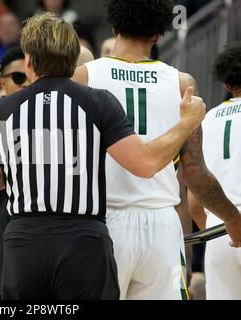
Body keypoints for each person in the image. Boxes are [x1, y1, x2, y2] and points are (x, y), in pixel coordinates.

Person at [0, 12, 205, 300]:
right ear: (73, 58)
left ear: (28, 61)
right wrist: (186, 122)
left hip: (24, 243)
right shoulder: (98, 101)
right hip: (83, 240)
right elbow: (145, 164)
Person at [73, 0, 241, 299]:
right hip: (160, 225)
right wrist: (232, 217)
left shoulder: (83, 77)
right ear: (158, 35)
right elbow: (194, 172)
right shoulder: (181, 83)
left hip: (101, 221)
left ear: (113, 27)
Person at [188, 45, 241, 299]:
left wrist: (220, 225)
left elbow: (194, 201)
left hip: (218, 232)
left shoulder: (207, 119)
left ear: (227, 85)